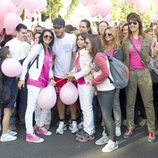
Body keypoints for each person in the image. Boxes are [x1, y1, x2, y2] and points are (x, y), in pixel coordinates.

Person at [122, 13, 156, 142]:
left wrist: (153, 53)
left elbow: (152, 56)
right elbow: (125, 59)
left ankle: (151, 130)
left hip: (144, 73)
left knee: (148, 102)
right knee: (130, 102)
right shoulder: (125, 40)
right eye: (129, 23)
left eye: (134, 23)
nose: (132, 25)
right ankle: (130, 127)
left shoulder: (147, 38)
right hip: (131, 73)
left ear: (139, 23)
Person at [18, 29, 55, 143]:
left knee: (45, 106)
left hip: (44, 82)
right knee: (31, 107)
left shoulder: (49, 50)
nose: (48, 38)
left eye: (50, 37)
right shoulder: (38, 47)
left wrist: (51, 77)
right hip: (34, 81)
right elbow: (26, 62)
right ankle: (29, 133)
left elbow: (48, 67)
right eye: (45, 36)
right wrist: (22, 78)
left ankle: (39, 126)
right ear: (41, 37)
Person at [88, 34, 118, 152]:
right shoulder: (97, 55)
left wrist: (94, 81)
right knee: (105, 115)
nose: (86, 45)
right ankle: (107, 136)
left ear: (93, 44)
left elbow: (105, 73)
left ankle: (113, 141)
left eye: (87, 43)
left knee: (107, 116)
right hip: (102, 89)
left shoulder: (98, 56)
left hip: (107, 89)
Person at [95, 26, 123, 147]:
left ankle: (117, 125)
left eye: (109, 34)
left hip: (114, 79)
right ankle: (106, 129)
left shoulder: (118, 48)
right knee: (105, 107)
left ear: (114, 35)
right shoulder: (101, 48)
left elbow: (120, 64)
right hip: (103, 80)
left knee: (115, 103)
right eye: (105, 35)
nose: (107, 37)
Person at [66, 32, 95, 142]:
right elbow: (78, 67)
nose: (79, 41)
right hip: (80, 83)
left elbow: (87, 69)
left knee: (87, 107)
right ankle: (87, 128)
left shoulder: (88, 52)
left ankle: (90, 131)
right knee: (84, 107)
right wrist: (71, 73)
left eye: (82, 39)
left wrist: (74, 75)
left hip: (87, 83)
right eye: (78, 39)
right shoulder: (79, 52)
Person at [52, 17, 78, 134]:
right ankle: (61, 122)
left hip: (70, 74)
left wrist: (72, 72)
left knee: (72, 99)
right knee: (60, 99)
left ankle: (74, 122)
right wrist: (51, 74)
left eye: (58, 28)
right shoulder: (52, 39)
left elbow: (74, 56)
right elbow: (52, 58)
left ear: (63, 28)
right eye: (54, 28)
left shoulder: (72, 38)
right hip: (57, 74)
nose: (56, 30)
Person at [5, 23, 30, 129]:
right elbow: (6, 60)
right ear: (17, 32)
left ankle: (22, 119)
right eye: (23, 33)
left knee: (24, 98)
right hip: (12, 77)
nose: (25, 35)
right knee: (12, 100)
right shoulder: (10, 44)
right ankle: (11, 123)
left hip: (24, 76)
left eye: (26, 33)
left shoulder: (28, 45)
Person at [0, 46, 17, 142]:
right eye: (10, 53)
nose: (12, 54)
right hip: (8, 91)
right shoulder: (9, 64)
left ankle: (6, 130)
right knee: (7, 113)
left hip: (3, 90)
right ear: (7, 54)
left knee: (5, 112)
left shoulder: (2, 63)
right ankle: (4, 135)